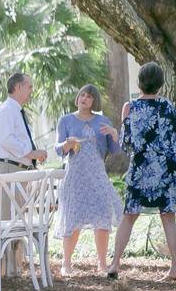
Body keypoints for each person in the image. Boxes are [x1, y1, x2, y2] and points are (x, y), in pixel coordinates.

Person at [107, 62, 176, 280]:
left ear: (139, 82)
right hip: (165, 169)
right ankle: (175, 268)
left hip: (140, 169)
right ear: (160, 84)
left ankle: (114, 264)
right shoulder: (168, 107)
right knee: (168, 218)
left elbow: (126, 144)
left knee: (129, 216)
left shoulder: (130, 107)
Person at [53, 85, 124, 276]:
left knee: (102, 216)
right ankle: (66, 263)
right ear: (78, 98)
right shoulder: (66, 120)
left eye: (89, 97)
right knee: (73, 217)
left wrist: (115, 134)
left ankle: (102, 264)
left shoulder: (103, 121)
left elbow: (115, 150)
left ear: (95, 101)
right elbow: (58, 149)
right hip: (75, 175)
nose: (84, 98)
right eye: (82, 95)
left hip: (98, 174)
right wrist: (67, 144)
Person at [0, 72, 49, 173]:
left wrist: (34, 155)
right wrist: (31, 154)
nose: (32, 91)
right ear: (19, 87)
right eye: (30, 87)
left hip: (17, 170)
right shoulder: (7, 109)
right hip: (9, 170)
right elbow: (6, 140)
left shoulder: (15, 110)